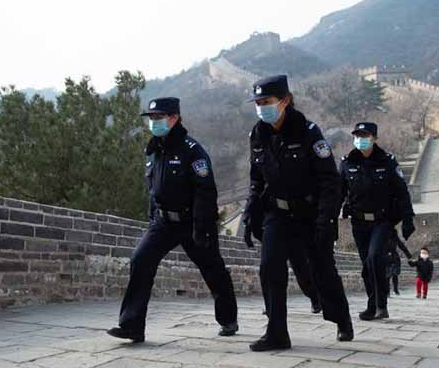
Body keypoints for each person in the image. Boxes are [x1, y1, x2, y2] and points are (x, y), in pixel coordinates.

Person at [108, 97, 238, 342]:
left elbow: (206, 192)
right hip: (163, 222)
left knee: (213, 269)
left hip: (193, 222)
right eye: (152, 118)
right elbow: (153, 191)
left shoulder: (192, 151)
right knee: (140, 260)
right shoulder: (153, 150)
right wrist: (151, 221)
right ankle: (132, 326)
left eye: (159, 118)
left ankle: (228, 319)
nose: (154, 123)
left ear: (174, 118)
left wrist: (203, 229)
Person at [242, 75, 354, 351]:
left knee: (322, 271)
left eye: (266, 102)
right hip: (277, 214)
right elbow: (257, 180)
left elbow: (331, 181)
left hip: (310, 213)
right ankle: (277, 333)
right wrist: (248, 215)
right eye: (257, 102)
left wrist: (326, 219)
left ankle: (342, 320)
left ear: (285, 101)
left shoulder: (308, 132)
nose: (261, 107)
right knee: (270, 268)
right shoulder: (258, 134)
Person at [340, 121, 416, 321]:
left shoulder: (387, 161)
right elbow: (338, 192)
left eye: (365, 136)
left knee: (375, 258)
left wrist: (408, 218)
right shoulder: (347, 162)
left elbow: (401, 191)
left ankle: (382, 304)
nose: (360, 139)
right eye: (357, 135)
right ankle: (372, 304)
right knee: (366, 265)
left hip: (382, 221)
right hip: (358, 222)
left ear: (374, 138)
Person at [387, 222, 413, 297]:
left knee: (395, 274)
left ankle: (395, 289)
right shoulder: (382, 236)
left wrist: (408, 255)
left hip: (394, 257)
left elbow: (401, 245)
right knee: (387, 276)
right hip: (386, 257)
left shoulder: (394, 236)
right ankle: (387, 292)